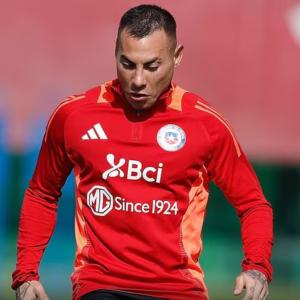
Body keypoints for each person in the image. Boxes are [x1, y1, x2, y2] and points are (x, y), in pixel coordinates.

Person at [12, 4, 273, 300]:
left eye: (151, 66)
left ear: (177, 57)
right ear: (115, 53)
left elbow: (253, 204)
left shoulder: (205, 124)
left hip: (179, 290)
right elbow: (42, 193)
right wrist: (26, 274)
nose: (137, 80)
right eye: (128, 64)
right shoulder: (74, 116)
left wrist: (256, 268)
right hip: (100, 285)